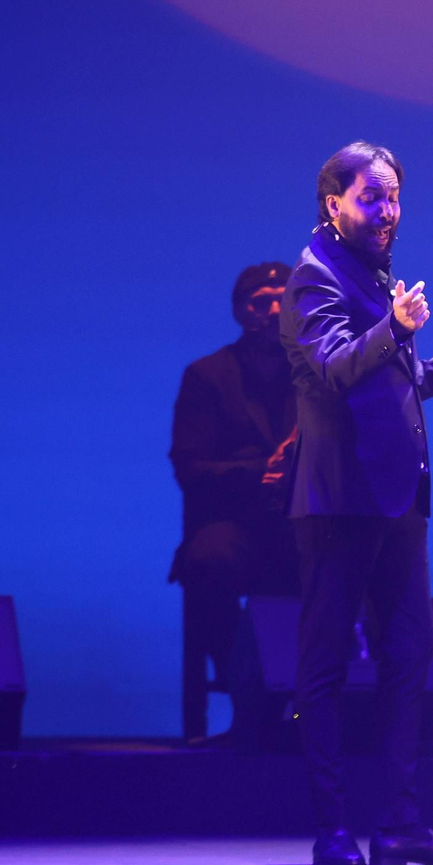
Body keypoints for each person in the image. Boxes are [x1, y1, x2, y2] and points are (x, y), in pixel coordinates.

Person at [279, 140, 433, 865]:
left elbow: (390, 383)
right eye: (373, 197)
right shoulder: (314, 277)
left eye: (395, 196)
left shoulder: (371, 273)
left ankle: (401, 823)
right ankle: (332, 829)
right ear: (333, 202)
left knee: (411, 654)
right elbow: (339, 369)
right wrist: (396, 327)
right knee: (327, 664)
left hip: (395, 504)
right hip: (340, 504)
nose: (388, 211)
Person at [169, 261, 299, 742]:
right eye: (258, 300)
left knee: (341, 559)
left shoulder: (313, 373)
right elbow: (190, 468)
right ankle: (247, 693)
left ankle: (306, 707)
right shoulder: (206, 375)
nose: (269, 309)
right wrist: (260, 472)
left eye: (280, 299)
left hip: (296, 522)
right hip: (234, 523)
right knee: (208, 560)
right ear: (239, 311)